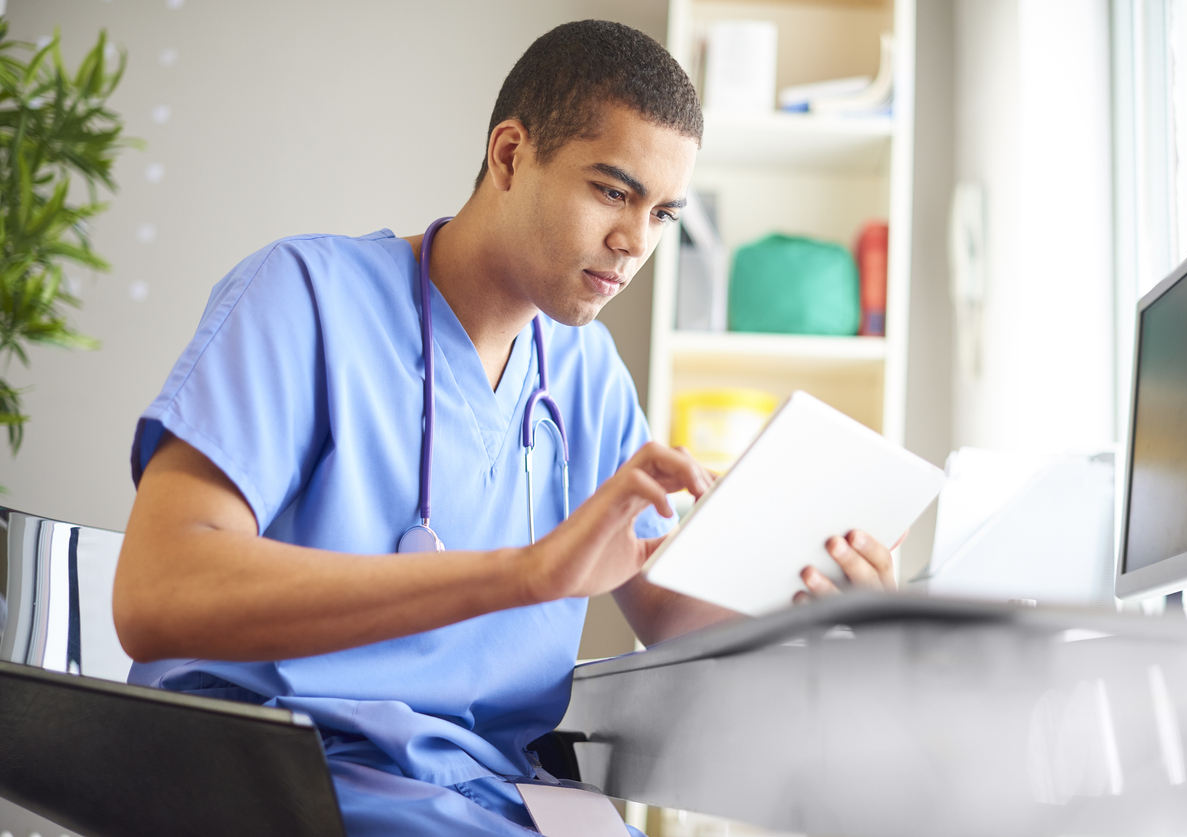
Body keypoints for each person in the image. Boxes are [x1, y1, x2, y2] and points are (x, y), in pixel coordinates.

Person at [113, 19, 899, 836]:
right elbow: (156, 593)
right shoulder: (304, 296)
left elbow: (671, 610)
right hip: (287, 775)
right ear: (511, 155)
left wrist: (829, 612)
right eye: (613, 191)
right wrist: (524, 573)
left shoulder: (584, 375)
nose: (635, 243)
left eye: (664, 213)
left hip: (494, 795)